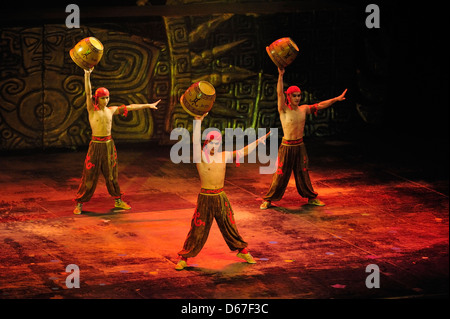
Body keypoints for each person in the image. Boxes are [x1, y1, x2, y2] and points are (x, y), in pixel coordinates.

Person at [175, 112, 270, 270]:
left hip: (220, 196)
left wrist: (259, 141)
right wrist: (198, 121)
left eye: (218, 143)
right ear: (207, 143)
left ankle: (242, 250)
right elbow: (195, 142)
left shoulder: (223, 156)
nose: (215, 146)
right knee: (198, 229)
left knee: (229, 225)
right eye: (212, 143)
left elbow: (243, 151)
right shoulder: (201, 157)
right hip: (206, 198)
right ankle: (184, 257)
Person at [73, 68, 160, 214]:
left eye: (107, 98)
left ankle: (118, 201)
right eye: (103, 98)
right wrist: (87, 74)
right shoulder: (92, 110)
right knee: (89, 175)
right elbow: (88, 92)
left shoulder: (111, 110)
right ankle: (80, 204)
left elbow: (130, 107)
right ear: (97, 99)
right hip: (95, 145)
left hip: (108, 145)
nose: (106, 100)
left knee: (112, 175)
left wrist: (148, 105)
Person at [260, 67, 347, 210]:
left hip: (300, 146)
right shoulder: (283, 109)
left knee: (303, 172)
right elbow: (279, 93)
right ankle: (269, 200)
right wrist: (281, 76)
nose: (297, 98)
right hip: (287, 147)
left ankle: (311, 197)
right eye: (294, 96)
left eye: (299, 95)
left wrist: (336, 99)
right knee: (281, 174)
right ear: (289, 97)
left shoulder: (304, 109)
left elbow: (320, 105)